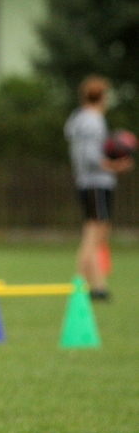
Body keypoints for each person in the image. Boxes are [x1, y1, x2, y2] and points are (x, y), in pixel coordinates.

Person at [64, 75, 133, 301]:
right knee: (93, 235)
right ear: (101, 96)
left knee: (97, 233)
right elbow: (91, 157)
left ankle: (87, 284)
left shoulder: (78, 118)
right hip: (95, 183)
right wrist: (116, 165)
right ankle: (92, 286)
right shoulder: (93, 120)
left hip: (89, 183)